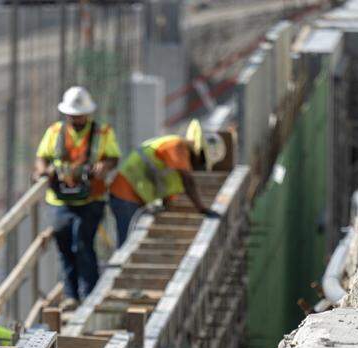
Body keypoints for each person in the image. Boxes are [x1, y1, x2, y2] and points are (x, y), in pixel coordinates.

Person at [33, 86, 121, 310]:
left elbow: (113, 158)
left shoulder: (103, 132)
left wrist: (104, 165)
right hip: (60, 199)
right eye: (73, 114)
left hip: (92, 198)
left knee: (82, 242)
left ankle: (89, 294)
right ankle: (71, 296)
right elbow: (41, 157)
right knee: (64, 245)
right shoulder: (55, 132)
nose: (77, 118)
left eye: (80, 114)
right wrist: (44, 171)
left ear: (88, 114)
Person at [108, 119, 227, 247]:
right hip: (125, 194)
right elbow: (188, 182)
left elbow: (168, 191)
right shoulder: (176, 146)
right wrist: (202, 209)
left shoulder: (180, 164)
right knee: (127, 245)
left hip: (134, 197)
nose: (200, 166)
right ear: (199, 152)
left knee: (131, 243)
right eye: (203, 161)